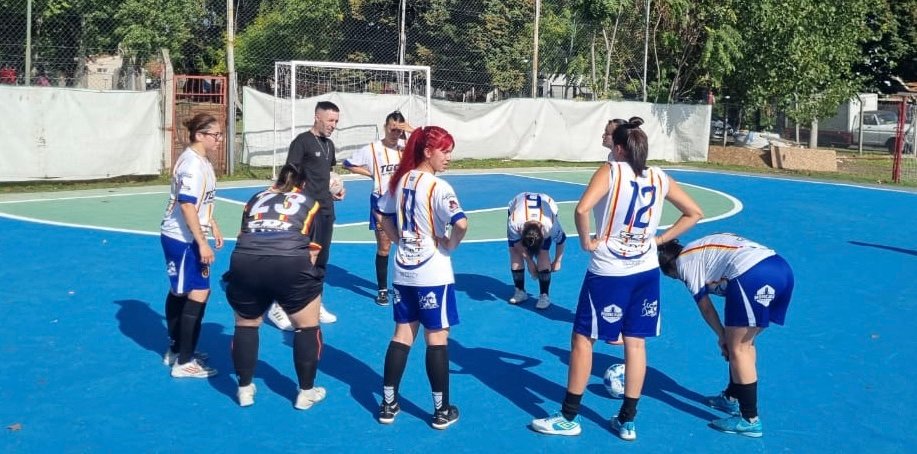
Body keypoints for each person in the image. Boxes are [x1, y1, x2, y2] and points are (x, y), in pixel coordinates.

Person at [531, 123, 703, 441]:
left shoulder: (611, 171)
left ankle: (569, 417)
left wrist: (587, 241)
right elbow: (694, 212)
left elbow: (582, 209)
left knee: (583, 340)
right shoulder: (659, 177)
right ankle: (627, 420)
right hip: (646, 270)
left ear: (619, 148)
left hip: (610, 269)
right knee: (635, 343)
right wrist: (659, 239)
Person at [375, 126, 468, 430]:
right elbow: (461, 223)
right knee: (436, 338)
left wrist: (398, 240)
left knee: (402, 335)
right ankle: (441, 410)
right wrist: (451, 244)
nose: (449, 157)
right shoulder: (439, 186)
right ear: (428, 152)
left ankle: (388, 404)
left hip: (404, 270)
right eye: (445, 151)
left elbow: (381, 214)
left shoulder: (401, 180)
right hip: (433, 272)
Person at [657, 233, 794, 438]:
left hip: (753, 274)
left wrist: (722, 335)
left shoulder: (684, 263)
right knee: (745, 344)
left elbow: (706, 308)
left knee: (738, 348)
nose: (680, 280)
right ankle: (732, 397)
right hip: (782, 270)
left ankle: (749, 419)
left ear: (670, 268)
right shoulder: (700, 249)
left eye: (675, 278)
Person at [222, 163, 328, 409]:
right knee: (307, 326)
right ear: (303, 184)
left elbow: (242, 235)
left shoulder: (255, 198)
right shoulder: (310, 202)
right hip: (289, 261)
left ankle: (244, 389)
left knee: (246, 324)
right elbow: (313, 252)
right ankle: (306, 392)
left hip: (246, 260)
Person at [159, 112, 224, 378]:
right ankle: (184, 360)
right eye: (215, 135)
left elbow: (200, 202)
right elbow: (187, 206)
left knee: (182, 292)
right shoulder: (192, 165)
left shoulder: (202, 161)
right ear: (199, 135)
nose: (219, 139)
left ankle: (178, 349)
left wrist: (212, 223)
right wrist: (202, 243)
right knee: (198, 293)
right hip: (183, 238)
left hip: (187, 236)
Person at [280, 100, 345, 324]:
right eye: (330, 120)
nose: (333, 125)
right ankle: (282, 306)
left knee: (321, 260)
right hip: (306, 212)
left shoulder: (329, 145)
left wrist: (336, 189)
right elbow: (289, 175)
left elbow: (327, 174)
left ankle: (315, 303)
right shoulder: (302, 142)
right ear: (317, 117)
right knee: (300, 260)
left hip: (326, 210)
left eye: (336, 121)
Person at [343, 111, 414, 306]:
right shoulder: (372, 149)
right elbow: (348, 164)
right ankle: (382, 289)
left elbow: (428, 145)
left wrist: (411, 130)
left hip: (404, 204)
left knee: (408, 245)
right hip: (382, 204)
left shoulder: (406, 147)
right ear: (385, 127)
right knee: (384, 247)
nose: (395, 133)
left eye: (399, 130)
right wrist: (371, 173)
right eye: (392, 129)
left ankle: (406, 285)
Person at [505, 192, 567, 309]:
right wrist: (530, 262)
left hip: (546, 206)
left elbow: (561, 240)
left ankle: (544, 295)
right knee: (514, 251)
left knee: (543, 252)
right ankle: (520, 291)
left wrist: (557, 261)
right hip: (519, 204)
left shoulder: (550, 225)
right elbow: (516, 243)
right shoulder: (514, 223)